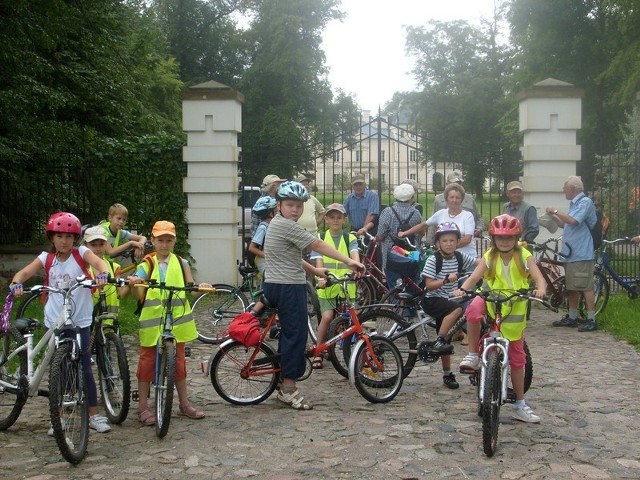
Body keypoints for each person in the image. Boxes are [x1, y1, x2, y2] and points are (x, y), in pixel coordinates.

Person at [262, 181, 364, 410]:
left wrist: (315, 270)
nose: (295, 210)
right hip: (287, 286)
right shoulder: (287, 226)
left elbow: (291, 257)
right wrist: (349, 261)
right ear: (279, 205)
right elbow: (317, 243)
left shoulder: (278, 225)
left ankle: (282, 378)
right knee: (295, 336)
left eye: (299, 205)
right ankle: (288, 388)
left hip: (280, 283)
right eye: (290, 205)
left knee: (289, 334)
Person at [9, 212, 112, 433]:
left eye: (69, 236)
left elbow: (99, 263)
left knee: (84, 366)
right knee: (60, 368)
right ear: (52, 237)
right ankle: (61, 416)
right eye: (59, 236)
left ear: (75, 238)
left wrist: (102, 274)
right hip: (55, 320)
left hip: (80, 319)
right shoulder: (46, 258)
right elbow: (24, 272)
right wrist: (17, 283)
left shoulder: (81, 253)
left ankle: (93, 414)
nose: (64, 241)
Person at [455, 214, 547, 423]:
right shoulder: (490, 256)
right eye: (500, 237)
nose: (504, 241)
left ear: (516, 238)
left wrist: (540, 289)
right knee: (472, 311)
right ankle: (473, 354)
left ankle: (520, 404)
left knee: (516, 359)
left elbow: (539, 277)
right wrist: (463, 289)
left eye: (509, 238)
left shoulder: (524, 255)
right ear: (493, 238)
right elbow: (474, 277)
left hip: (515, 305)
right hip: (490, 298)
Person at [127, 221, 212, 425]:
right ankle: (143, 408)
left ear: (174, 241)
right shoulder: (147, 263)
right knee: (147, 362)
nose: (164, 245)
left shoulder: (182, 263)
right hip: (152, 321)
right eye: (160, 240)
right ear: (153, 240)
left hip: (176, 321)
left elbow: (190, 288)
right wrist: (135, 282)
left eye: (169, 240)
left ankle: (184, 404)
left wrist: (200, 287)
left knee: (179, 363)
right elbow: (137, 287)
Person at [421, 222, 476, 389]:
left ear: (458, 242)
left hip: (448, 301)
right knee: (458, 309)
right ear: (438, 243)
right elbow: (429, 286)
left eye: (452, 240)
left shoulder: (459, 257)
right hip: (432, 299)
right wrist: (445, 280)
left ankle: (447, 374)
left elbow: (479, 263)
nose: (449, 243)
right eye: (445, 241)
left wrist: (492, 261)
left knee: (446, 338)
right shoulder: (433, 260)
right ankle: (438, 340)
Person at [309, 203, 360, 369]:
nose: (335, 220)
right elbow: (318, 261)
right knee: (327, 317)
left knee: (354, 320)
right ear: (326, 219)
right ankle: (318, 351)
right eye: (332, 217)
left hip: (346, 285)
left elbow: (354, 256)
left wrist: (356, 268)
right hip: (328, 284)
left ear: (344, 220)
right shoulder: (321, 238)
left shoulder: (350, 238)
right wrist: (320, 278)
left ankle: (357, 352)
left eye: (339, 217)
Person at [545, 176, 598, 332]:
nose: (563, 190)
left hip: (582, 252)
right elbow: (566, 224)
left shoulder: (585, 202)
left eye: (565, 187)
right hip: (571, 252)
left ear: (573, 189)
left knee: (585, 286)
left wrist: (556, 211)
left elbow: (574, 221)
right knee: (571, 287)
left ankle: (591, 319)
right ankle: (572, 317)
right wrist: (553, 217)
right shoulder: (574, 204)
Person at [400, 183, 476, 259]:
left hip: (466, 257)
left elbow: (467, 239)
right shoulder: (441, 213)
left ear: (462, 199)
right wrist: (405, 233)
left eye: (457, 198)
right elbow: (424, 225)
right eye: (451, 197)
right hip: (446, 259)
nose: (454, 200)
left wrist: (446, 247)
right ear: (446, 199)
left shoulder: (467, 216)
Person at [375, 183, 422, 288]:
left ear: (395, 197)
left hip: (392, 256)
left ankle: (396, 303)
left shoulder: (387, 212)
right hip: (411, 256)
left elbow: (380, 235)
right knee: (412, 286)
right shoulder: (416, 213)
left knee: (394, 286)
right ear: (411, 198)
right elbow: (420, 233)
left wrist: (378, 238)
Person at [83, 225, 130, 321]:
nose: (97, 248)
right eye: (93, 245)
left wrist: (130, 284)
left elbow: (122, 293)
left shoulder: (114, 267)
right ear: (85, 246)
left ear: (106, 244)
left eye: (101, 244)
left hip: (109, 320)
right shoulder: (82, 267)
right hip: (87, 318)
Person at [427, 170, 484, 242]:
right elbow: (433, 223)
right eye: (453, 183)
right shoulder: (439, 199)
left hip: (465, 240)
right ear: (447, 183)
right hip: (445, 240)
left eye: (459, 183)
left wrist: (479, 228)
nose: (456, 186)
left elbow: (478, 217)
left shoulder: (470, 199)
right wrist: (430, 242)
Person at [248, 196, 278, 279]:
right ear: (271, 214)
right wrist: (268, 256)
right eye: (276, 211)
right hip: (264, 262)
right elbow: (252, 248)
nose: (278, 212)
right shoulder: (263, 227)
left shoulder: (272, 226)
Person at [502, 181, 539, 245]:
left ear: (522, 194)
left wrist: (523, 240)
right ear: (508, 194)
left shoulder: (529, 208)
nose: (517, 195)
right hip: (506, 245)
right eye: (513, 192)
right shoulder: (505, 206)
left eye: (519, 192)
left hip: (522, 248)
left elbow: (534, 230)